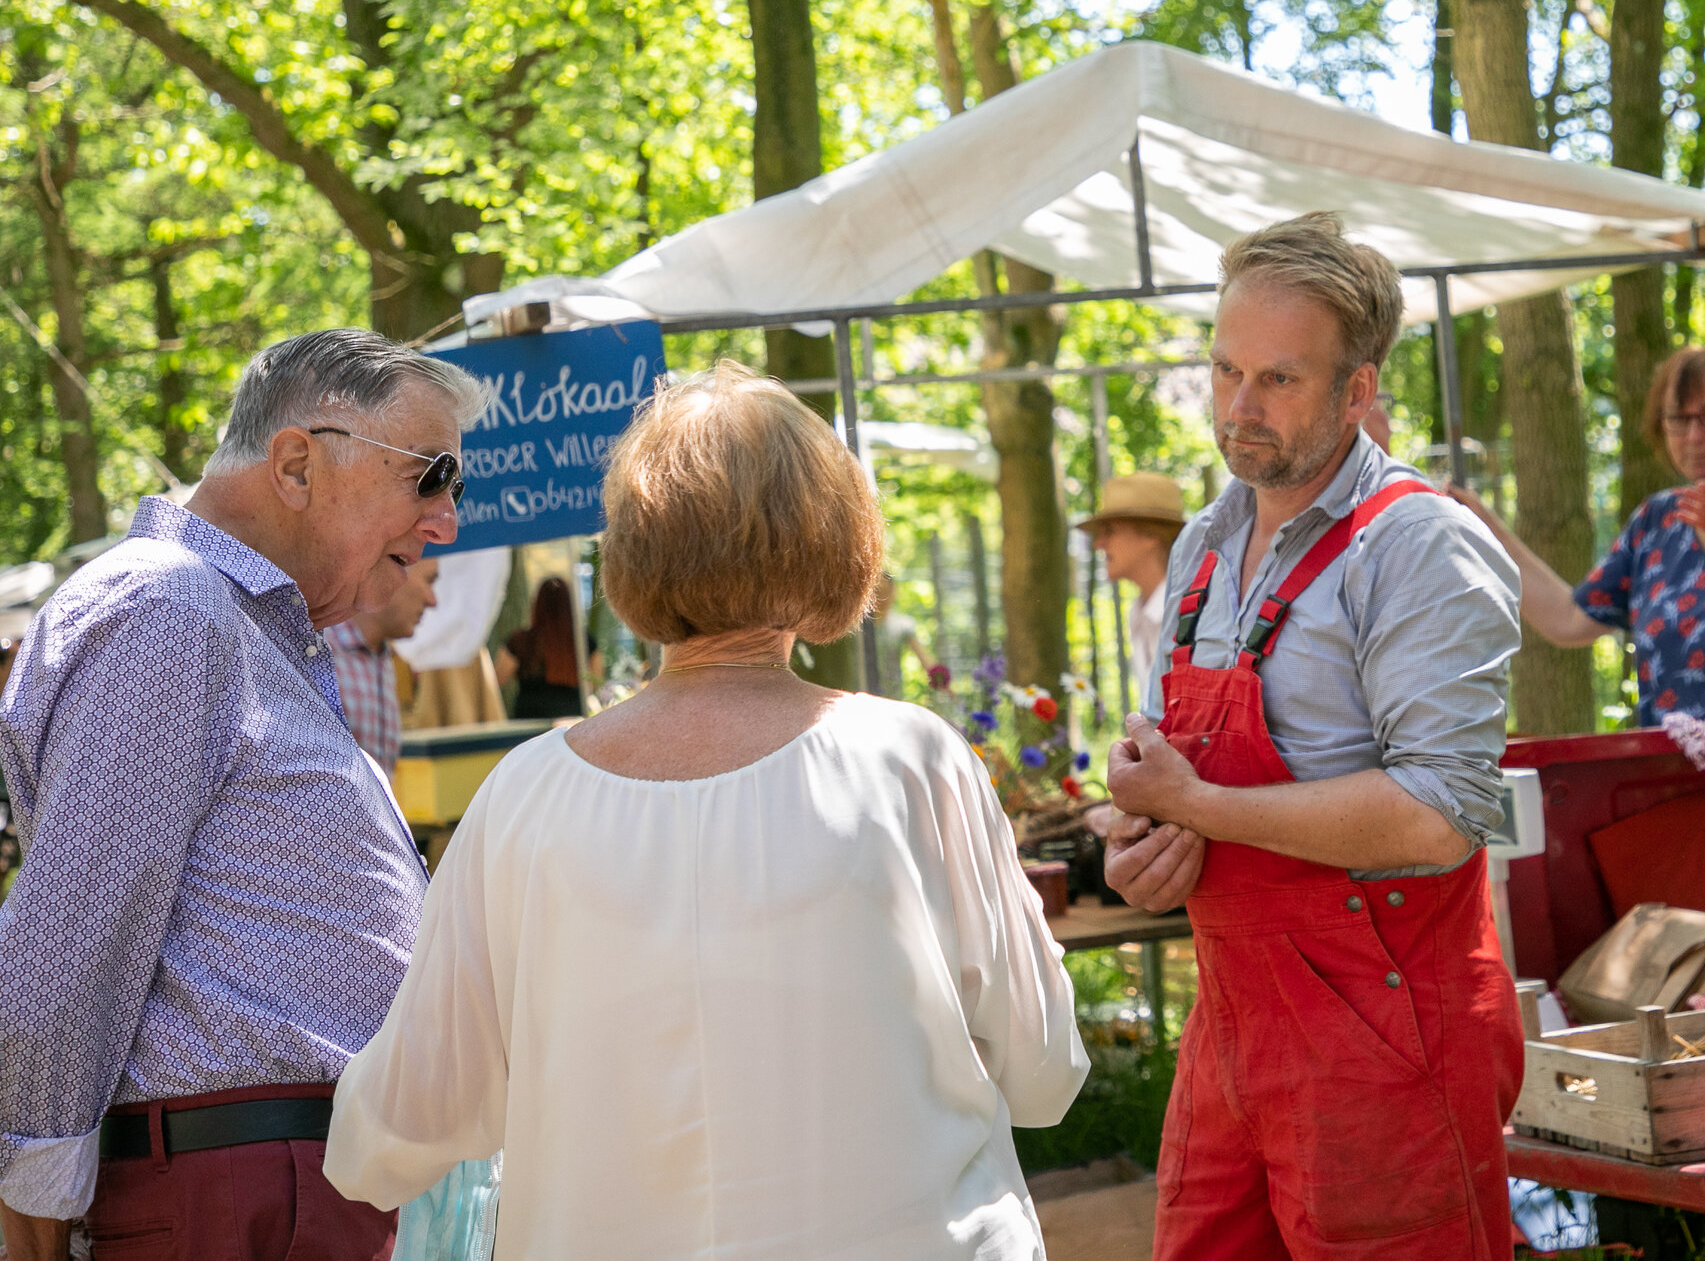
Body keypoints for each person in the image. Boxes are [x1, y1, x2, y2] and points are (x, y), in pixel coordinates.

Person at [324, 360, 1088, 1260]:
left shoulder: (522, 800)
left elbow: (402, 1124)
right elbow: (1043, 1070)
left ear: (632, 549)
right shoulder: (911, 761)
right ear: (840, 540)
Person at [0, 328, 481, 1261]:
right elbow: (69, 947)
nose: (445, 521)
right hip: (240, 1192)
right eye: (430, 476)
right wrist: (33, 1225)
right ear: (297, 463)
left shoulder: (219, 622)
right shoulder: (169, 608)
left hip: (276, 1186)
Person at [1104, 212, 1526, 1261]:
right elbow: (1177, 783)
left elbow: (1437, 816)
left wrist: (1199, 806)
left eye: (1279, 380)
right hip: (1230, 1030)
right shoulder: (1203, 544)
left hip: (1387, 1041)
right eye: (1224, 370)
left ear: (1358, 389)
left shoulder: (1419, 545)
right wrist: (1147, 846)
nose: (1239, 409)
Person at [1451, 343, 1705, 725]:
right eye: (1678, 419)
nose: (1694, 436)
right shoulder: (1656, 522)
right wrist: (1484, 530)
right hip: (1670, 778)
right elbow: (1568, 620)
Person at [1075, 471, 1188, 714]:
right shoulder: (1139, 613)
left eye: (1110, 531)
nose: (1098, 544)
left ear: (1150, 534)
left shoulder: (1191, 613)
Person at [324, 556, 441, 772]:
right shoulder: (319, 653)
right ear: (392, 572)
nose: (432, 600)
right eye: (429, 581)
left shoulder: (382, 658)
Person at [496, 576, 581, 718]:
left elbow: (497, 680)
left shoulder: (520, 641)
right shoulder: (582, 641)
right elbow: (594, 681)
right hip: (570, 718)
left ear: (538, 604)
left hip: (529, 720)